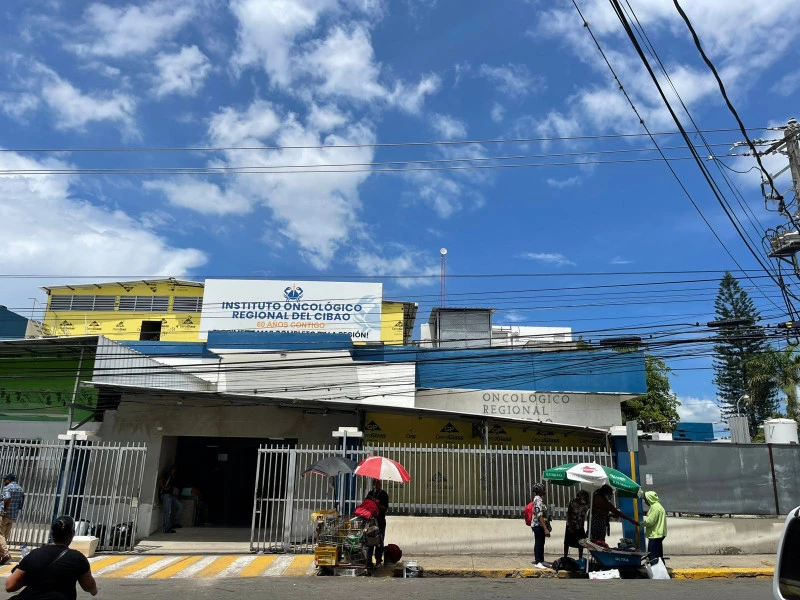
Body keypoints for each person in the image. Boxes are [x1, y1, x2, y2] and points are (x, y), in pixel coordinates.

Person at [5, 515, 98, 600]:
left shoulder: (34, 554)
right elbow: (89, 587)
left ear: (52, 532)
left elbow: (10, 586)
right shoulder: (77, 558)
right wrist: (94, 591)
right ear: (72, 533)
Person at [0, 474, 25, 566]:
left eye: (5, 479)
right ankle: (1, 555)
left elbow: (8, 498)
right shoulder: (20, 489)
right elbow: (22, 501)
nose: (4, 481)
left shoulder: (7, 488)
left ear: (9, 480)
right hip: (13, 516)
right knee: (4, 536)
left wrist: (5, 510)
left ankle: (5, 554)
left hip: (4, 515)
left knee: (0, 535)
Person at [366, 479, 389, 568]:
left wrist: (376, 503)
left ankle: (378, 560)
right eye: (374, 483)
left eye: (377, 483)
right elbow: (366, 504)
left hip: (380, 521)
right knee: (369, 541)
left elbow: (385, 508)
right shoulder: (370, 494)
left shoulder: (384, 495)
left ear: (380, 484)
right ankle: (369, 561)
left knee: (379, 541)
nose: (376, 485)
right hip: (371, 521)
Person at [564, 490, 590, 560]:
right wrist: (570, 525)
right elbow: (569, 513)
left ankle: (580, 558)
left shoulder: (586, 504)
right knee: (567, 542)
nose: (584, 498)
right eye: (583, 497)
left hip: (580, 525)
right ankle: (565, 557)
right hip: (571, 524)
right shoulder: (572, 502)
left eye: (586, 497)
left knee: (581, 542)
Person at [530, 482, 551, 569]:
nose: (545, 491)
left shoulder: (539, 500)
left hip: (540, 525)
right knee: (538, 543)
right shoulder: (538, 500)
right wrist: (545, 529)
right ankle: (538, 562)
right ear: (539, 491)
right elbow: (539, 515)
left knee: (541, 543)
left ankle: (541, 560)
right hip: (538, 525)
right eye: (543, 490)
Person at [643, 490, 667, 561]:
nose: (645, 502)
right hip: (659, 534)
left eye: (645, 500)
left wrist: (639, 523)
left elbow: (650, 522)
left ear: (649, 499)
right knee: (658, 555)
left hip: (655, 534)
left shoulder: (655, 508)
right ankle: (660, 567)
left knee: (653, 556)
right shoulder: (658, 506)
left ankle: (655, 567)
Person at [158, 465, 182, 534]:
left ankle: (175, 523)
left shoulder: (172, 477)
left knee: (179, 506)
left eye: (175, 470)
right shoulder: (167, 475)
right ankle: (166, 529)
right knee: (167, 511)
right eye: (173, 469)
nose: (174, 471)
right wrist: (164, 488)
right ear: (171, 469)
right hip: (165, 495)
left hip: (171, 495)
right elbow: (160, 480)